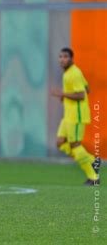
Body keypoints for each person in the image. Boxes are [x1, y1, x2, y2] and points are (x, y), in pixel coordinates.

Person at [51, 47, 100, 186]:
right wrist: (66, 96)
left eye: (65, 56)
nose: (62, 59)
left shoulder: (74, 73)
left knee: (75, 145)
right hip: (68, 115)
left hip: (77, 116)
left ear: (72, 58)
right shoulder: (68, 73)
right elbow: (87, 88)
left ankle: (94, 177)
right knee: (60, 142)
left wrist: (63, 94)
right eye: (60, 57)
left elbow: (81, 95)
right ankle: (91, 160)